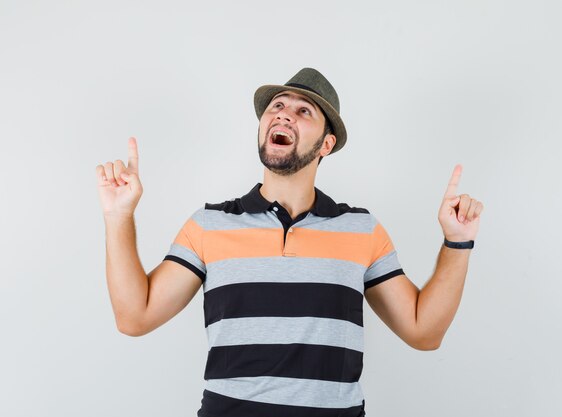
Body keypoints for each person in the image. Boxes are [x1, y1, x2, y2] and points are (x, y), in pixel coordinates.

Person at [95, 67, 484, 417]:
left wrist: (457, 243)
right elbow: (135, 317)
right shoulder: (209, 225)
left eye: (304, 111)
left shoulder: (360, 229)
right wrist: (119, 216)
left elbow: (423, 332)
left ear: (327, 144)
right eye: (277, 106)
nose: (283, 113)